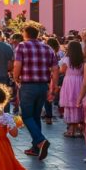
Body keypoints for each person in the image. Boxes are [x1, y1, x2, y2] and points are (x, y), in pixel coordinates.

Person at [13, 26, 58, 160]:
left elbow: (17, 65)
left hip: (28, 85)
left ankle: (41, 140)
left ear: (25, 34)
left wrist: (16, 78)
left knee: (26, 116)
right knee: (36, 116)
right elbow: (55, 70)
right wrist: (52, 88)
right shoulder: (48, 48)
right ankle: (35, 147)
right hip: (42, 86)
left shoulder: (22, 46)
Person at [59, 41, 86, 138]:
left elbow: (62, 71)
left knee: (70, 104)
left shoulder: (66, 59)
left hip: (69, 81)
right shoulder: (83, 60)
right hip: (79, 81)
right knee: (78, 104)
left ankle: (71, 130)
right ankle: (80, 129)